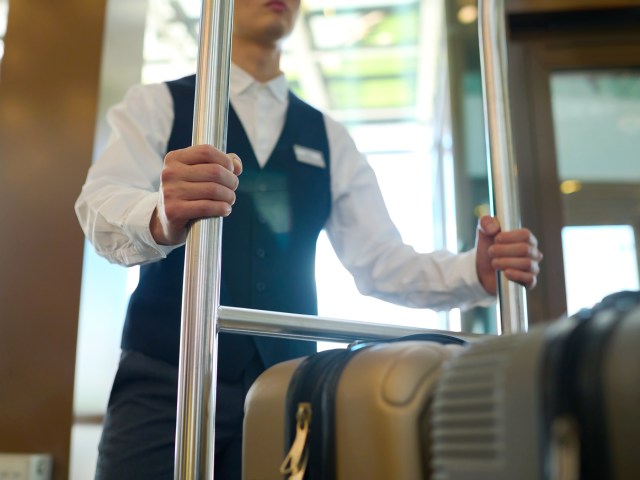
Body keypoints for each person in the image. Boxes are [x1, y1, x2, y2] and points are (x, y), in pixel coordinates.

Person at [75, 0, 543, 478]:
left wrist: (474, 272)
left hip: (287, 390)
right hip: (163, 386)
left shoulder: (328, 136)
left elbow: (380, 261)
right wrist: (161, 215)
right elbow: (97, 206)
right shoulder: (158, 105)